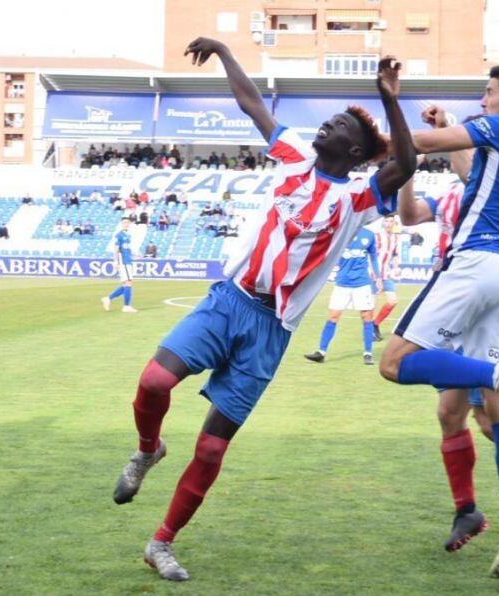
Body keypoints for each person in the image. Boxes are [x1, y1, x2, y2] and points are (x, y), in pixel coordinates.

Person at [113, 37, 415, 582]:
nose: (328, 126)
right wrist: (227, 52)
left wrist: (389, 97)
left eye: (341, 127)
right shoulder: (293, 155)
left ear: (353, 154)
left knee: (209, 448)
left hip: (271, 330)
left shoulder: (357, 201)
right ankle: (147, 449)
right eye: (329, 121)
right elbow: (252, 101)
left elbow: (406, 163)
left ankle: (161, 543)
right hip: (228, 301)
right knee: (155, 381)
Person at [377, 65, 499, 578]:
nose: (483, 102)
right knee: (496, 413)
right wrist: (452, 126)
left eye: (489, 94)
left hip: (474, 265)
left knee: (393, 363)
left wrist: (379, 123)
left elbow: (413, 142)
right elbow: (475, 173)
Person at [303, 227, 380, 365]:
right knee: (333, 316)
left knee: (367, 317)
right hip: (342, 283)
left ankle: (368, 353)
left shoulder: (369, 234)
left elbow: (373, 256)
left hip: (362, 283)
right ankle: (321, 352)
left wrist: (378, 277)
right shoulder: (340, 231)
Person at [371, 215, 401, 341]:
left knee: (392, 301)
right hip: (373, 274)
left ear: (395, 223)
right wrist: (375, 276)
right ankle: (370, 332)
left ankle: (375, 324)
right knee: (371, 304)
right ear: (383, 223)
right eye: (387, 221)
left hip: (386, 274)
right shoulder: (377, 236)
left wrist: (396, 266)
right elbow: (371, 256)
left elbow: (394, 255)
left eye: (391, 221)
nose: (389, 224)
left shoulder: (395, 237)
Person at [101, 217, 137, 313]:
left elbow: (127, 249)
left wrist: (135, 255)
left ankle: (108, 299)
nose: (126, 224)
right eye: (124, 222)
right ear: (121, 224)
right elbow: (116, 249)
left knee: (126, 284)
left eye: (128, 223)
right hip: (123, 262)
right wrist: (116, 261)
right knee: (128, 283)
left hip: (128, 260)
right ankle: (126, 306)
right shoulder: (119, 235)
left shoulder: (128, 236)